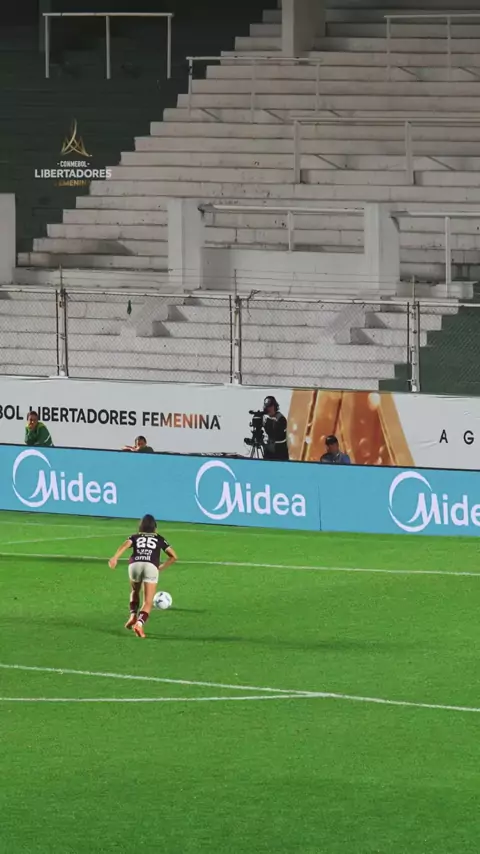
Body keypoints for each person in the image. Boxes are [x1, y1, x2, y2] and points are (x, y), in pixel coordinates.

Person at [108, 514, 177, 638]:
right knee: (148, 601)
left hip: (134, 565)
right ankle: (139, 624)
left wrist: (115, 558)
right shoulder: (159, 538)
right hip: (150, 566)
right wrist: (160, 568)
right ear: (155, 527)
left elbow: (125, 545)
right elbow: (173, 556)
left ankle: (133, 615)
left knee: (134, 591)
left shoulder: (135, 537)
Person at [263, 396, 289, 461]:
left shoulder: (281, 419)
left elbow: (276, 434)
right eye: (267, 407)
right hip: (269, 452)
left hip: (279, 454)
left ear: (275, 406)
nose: (269, 409)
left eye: (271, 407)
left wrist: (268, 422)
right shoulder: (266, 418)